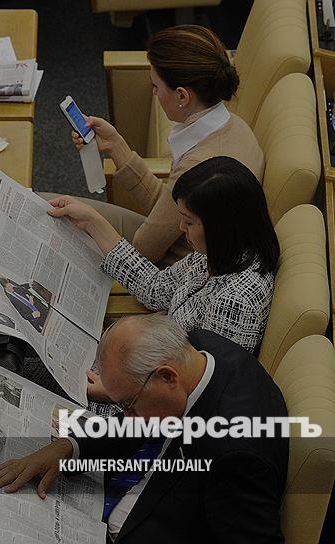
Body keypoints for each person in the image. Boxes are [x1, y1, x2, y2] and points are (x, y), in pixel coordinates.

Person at [0, 314, 289, 543]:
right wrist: (67, 447)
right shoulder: (199, 350)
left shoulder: (236, 455)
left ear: (167, 377)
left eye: (129, 403)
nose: (127, 417)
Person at [47, 156, 278, 407]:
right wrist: (92, 222)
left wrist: (115, 392)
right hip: (135, 373)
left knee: (34, 375)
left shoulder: (236, 302)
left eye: (189, 221)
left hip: (141, 403)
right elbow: (155, 288)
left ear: (220, 227)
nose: (181, 227)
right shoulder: (218, 255)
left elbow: (195, 394)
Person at [62, 25, 264, 266]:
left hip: (172, 269)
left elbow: (144, 251)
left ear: (182, 96)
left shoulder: (199, 166)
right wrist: (115, 145)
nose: (154, 93)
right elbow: (169, 209)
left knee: (58, 216)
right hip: (180, 250)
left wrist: (94, 224)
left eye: (156, 87)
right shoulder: (236, 126)